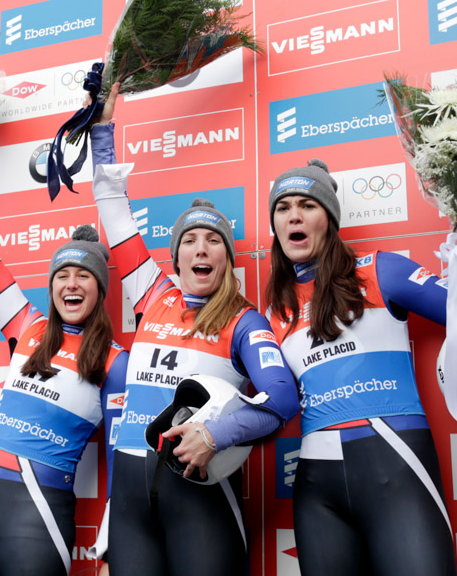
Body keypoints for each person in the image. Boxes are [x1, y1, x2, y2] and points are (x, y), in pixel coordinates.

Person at [89, 83, 300, 575]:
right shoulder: (153, 293)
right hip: (130, 505)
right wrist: (101, 130)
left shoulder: (245, 320)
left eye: (213, 241)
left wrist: (213, 433)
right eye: (190, 241)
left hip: (199, 497)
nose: (201, 249)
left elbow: (282, 399)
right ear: (176, 256)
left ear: (227, 258)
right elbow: (112, 203)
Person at [264, 159, 457, 576]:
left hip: (395, 463)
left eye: (307, 205)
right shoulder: (274, 312)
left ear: (330, 218)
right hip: (316, 485)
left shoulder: (381, 271)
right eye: (283, 207)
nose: (294, 216)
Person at [0, 161, 128, 576]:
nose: (71, 284)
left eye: (84, 276)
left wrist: (109, 549)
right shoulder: (26, 323)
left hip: (37, 504)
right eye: (62, 275)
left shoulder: (115, 361)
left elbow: (120, 465)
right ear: (51, 286)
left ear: (101, 288)